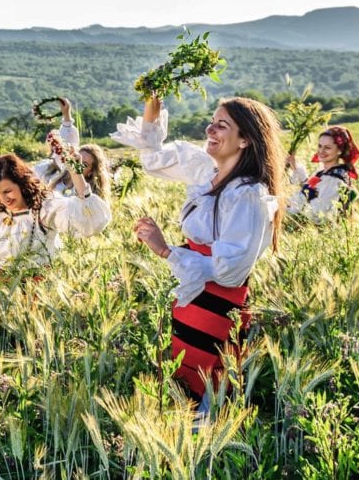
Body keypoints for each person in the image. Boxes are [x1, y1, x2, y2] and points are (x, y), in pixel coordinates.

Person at [111, 96, 283, 411]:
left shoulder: (248, 195)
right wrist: (153, 106)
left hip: (218, 303)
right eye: (212, 121)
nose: (210, 128)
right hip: (190, 294)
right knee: (184, 371)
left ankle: (207, 449)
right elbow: (154, 159)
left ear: (245, 139)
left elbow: (230, 271)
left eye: (222, 125)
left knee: (210, 378)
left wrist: (166, 251)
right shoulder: (207, 171)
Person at [33, 98, 111, 199]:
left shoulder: (88, 194)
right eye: (77, 160)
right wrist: (66, 115)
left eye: (84, 164)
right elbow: (67, 143)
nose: (77, 165)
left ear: (91, 171)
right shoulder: (58, 177)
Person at [286, 126, 359, 222]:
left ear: (339, 150)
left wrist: (286, 209)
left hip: (316, 231)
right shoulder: (322, 172)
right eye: (320, 146)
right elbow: (310, 189)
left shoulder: (335, 179)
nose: (321, 151)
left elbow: (317, 214)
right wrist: (294, 167)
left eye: (327, 148)